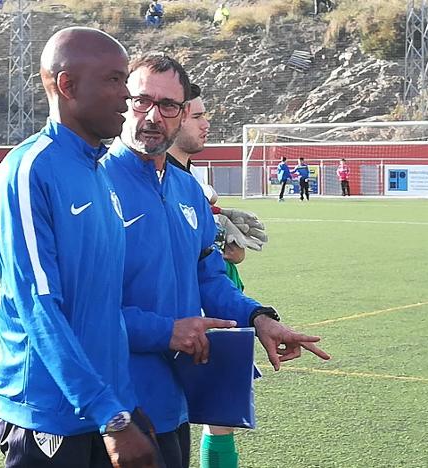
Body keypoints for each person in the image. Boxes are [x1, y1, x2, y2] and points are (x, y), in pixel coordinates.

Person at [101, 53, 330, 468]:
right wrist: (165, 331)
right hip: (111, 408)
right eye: (140, 101)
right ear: (123, 101)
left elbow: (210, 280)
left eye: (167, 106)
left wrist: (258, 317)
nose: (152, 116)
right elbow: (81, 310)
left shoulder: (188, 191)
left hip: (174, 400)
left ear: (181, 113)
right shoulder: (93, 182)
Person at [0, 27, 157, 468]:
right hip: (49, 413)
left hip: (103, 409)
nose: (127, 95)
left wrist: (122, 403)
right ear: (67, 86)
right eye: (114, 80)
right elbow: (38, 303)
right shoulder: (30, 170)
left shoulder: (99, 171)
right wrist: (111, 416)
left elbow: (104, 306)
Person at [167, 83, 267, 467]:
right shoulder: (159, 180)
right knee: (189, 421)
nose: (207, 123)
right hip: (186, 314)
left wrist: (223, 229)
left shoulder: (196, 184)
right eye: (198, 115)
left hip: (223, 302)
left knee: (218, 417)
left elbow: (230, 258)